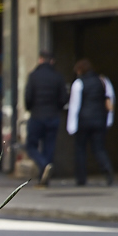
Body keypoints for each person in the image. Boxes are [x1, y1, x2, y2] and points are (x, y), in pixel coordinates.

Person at [67, 58, 115, 186]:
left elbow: (74, 106)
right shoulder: (103, 81)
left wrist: (71, 126)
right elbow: (110, 101)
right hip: (99, 120)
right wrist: (108, 120)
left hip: (83, 121)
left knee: (80, 149)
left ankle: (81, 178)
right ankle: (107, 169)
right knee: (99, 148)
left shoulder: (79, 83)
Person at [24, 50, 69, 186]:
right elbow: (64, 98)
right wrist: (57, 108)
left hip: (37, 116)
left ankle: (43, 165)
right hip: (53, 116)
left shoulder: (33, 76)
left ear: (40, 60)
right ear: (52, 61)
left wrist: (31, 108)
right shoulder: (58, 77)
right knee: (49, 146)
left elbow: (28, 97)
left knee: (31, 146)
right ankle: (46, 175)